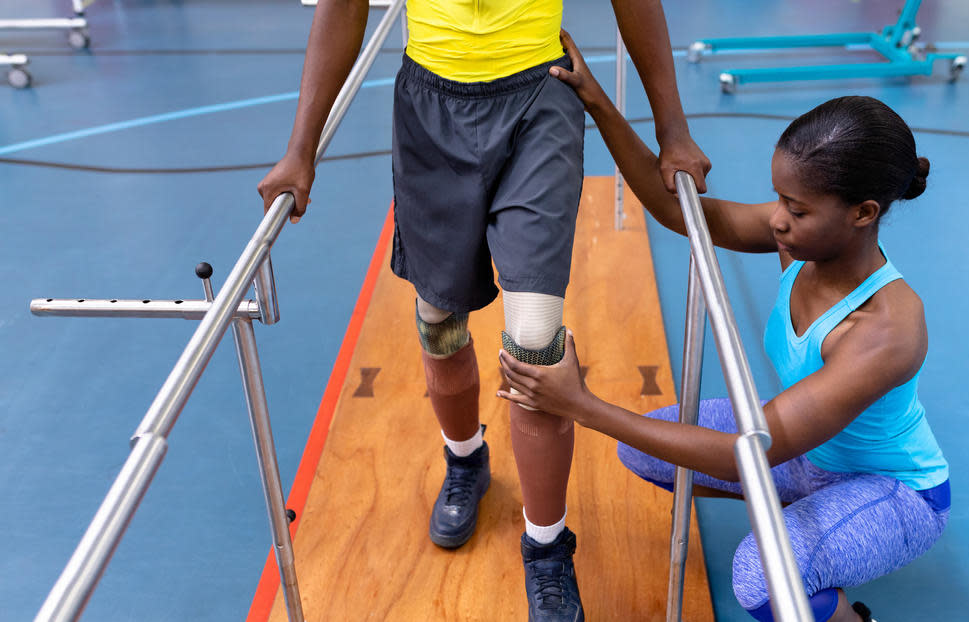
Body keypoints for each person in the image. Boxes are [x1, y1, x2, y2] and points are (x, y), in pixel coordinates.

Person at [257, 4, 710, 621]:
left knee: (534, 343)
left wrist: (672, 130)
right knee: (438, 321)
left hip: (539, 97)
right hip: (430, 107)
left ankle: (547, 549)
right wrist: (300, 149)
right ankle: (465, 456)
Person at [497, 31, 950, 622]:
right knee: (650, 449)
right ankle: (806, 519)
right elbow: (675, 211)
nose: (778, 221)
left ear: (863, 213)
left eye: (798, 209)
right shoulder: (801, 242)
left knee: (761, 579)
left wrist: (585, 406)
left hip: (894, 490)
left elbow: (749, 454)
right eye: (778, 200)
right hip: (806, 458)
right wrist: (598, 102)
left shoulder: (887, 327)